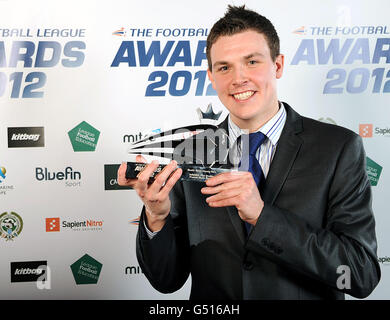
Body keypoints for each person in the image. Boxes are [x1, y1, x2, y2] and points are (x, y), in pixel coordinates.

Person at [117, 5, 380, 299]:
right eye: (224, 67)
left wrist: (261, 216)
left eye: (252, 61)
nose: (238, 78)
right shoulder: (190, 151)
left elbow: (359, 274)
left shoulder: (338, 148)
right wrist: (156, 216)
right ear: (211, 76)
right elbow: (165, 280)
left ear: (277, 65)